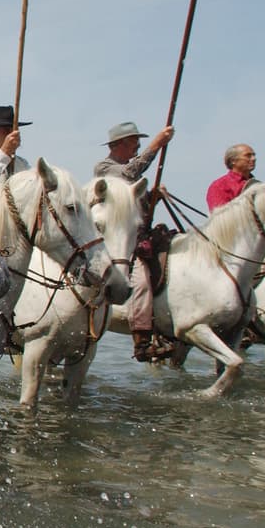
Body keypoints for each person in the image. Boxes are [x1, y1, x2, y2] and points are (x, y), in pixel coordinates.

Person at [94, 121, 176, 362]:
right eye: (134, 144)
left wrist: (153, 198)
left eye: (140, 145)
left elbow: (137, 207)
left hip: (137, 233)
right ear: (119, 145)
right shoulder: (105, 168)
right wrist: (157, 146)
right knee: (139, 279)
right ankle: (141, 338)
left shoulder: (129, 170)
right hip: (118, 240)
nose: (138, 148)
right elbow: (129, 173)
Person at [206, 144, 256, 211]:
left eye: (254, 155)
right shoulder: (220, 186)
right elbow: (221, 217)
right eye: (248, 155)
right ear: (233, 161)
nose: (253, 159)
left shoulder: (258, 185)